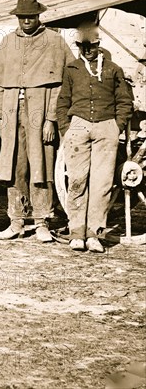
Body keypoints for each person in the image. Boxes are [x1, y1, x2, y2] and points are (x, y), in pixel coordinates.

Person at [0, 0, 75, 242]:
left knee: (41, 164)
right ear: (17, 17)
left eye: (31, 16)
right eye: (22, 17)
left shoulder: (55, 42)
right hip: (12, 113)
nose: (26, 21)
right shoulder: (8, 42)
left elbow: (61, 85)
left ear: (38, 16)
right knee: (14, 166)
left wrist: (50, 119)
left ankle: (42, 221)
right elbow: (0, 84)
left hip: (40, 111)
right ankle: (15, 221)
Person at [56, 27, 133, 252]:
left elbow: (124, 101)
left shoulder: (113, 70)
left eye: (92, 46)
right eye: (83, 46)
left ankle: (94, 234)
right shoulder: (71, 70)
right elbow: (63, 101)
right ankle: (76, 233)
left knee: (102, 183)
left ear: (98, 45)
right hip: (78, 128)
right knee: (78, 181)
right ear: (78, 47)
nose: (88, 50)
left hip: (106, 128)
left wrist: (115, 127)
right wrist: (66, 128)